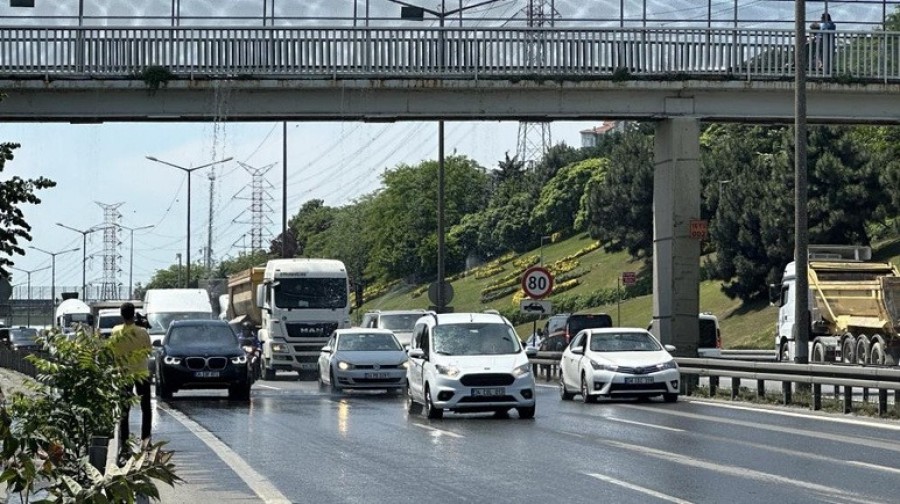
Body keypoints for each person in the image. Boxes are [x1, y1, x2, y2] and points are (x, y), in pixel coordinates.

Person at [109, 301, 153, 465]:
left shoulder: (115, 331)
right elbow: (148, 351)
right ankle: (145, 440)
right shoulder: (142, 332)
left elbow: (112, 352)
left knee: (124, 411)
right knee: (145, 408)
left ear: (121, 315)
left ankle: (125, 444)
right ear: (134, 314)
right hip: (141, 373)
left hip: (124, 374)